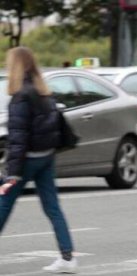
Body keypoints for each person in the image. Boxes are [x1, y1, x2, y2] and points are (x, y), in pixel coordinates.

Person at [0, 46, 77, 273]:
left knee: (4, 203)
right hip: (46, 157)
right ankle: (68, 258)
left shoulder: (21, 96)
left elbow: (19, 137)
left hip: (27, 160)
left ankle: (67, 258)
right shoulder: (43, 91)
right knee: (53, 207)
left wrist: (12, 172)